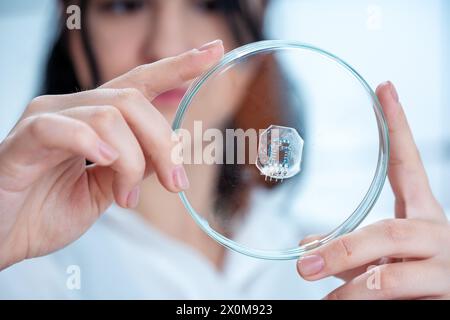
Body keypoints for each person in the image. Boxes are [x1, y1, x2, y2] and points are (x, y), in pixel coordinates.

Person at [0, 0, 449, 299]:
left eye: (211, 1)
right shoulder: (20, 266)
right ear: (73, 31)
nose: (166, 44)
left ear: (257, 28)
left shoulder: (346, 267)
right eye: (125, 3)